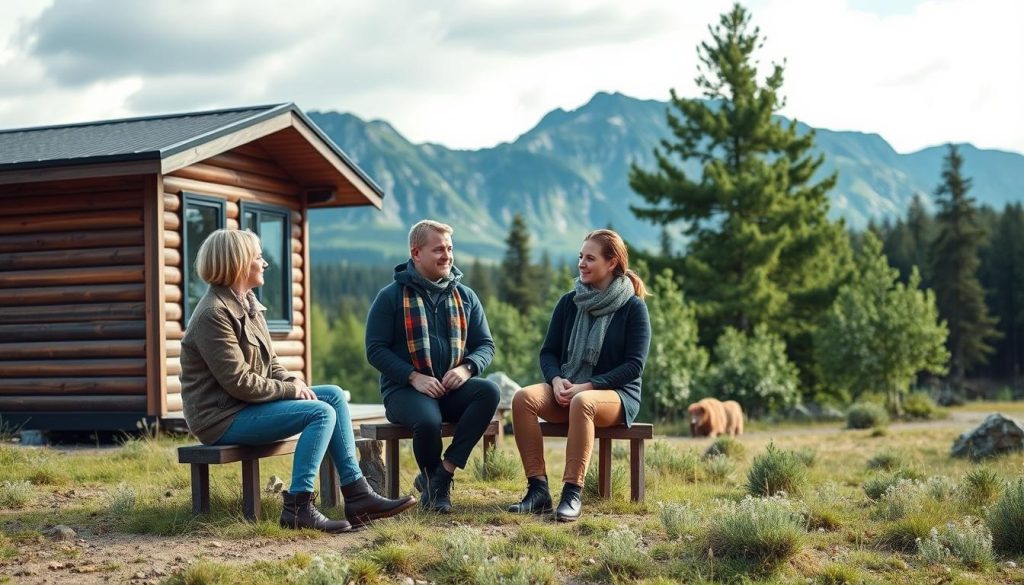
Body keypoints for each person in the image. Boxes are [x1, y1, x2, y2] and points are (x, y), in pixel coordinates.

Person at [180, 229, 415, 533]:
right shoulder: (213, 314)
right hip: (221, 417)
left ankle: (358, 496)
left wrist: (294, 381)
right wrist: (292, 390)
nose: (264, 263)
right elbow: (239, 382)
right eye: (258, 257)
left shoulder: (247, 303)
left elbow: (271, 363)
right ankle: (298, 507)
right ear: (238, 263)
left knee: (331, 395)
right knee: (320, 412)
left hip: (244, 407)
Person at [508, 228, 651, 522]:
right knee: (523, 398)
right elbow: (548, 353)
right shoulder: (568, 303)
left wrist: (588, 385)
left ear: (611, 263)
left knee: (583, 401)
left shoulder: (633, 307)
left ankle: (572, 493)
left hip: (617, 396)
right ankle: (537, 491)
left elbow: (634, 366)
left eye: (590, 258)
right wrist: (556, 380)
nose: (581, 264)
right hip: (569, 388)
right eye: (580, 257)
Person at [366, 220, 500, 513]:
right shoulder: (390, 297)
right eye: (438, 249)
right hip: (405, 391)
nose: (447, 256)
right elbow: (375, 350)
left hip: (451, 388)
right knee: (427, 422)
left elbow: (485, 346)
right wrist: (412, 376)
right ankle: (432, 484)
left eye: (450, 249)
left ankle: (441, 476)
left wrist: (466, 369)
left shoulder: (465, 297)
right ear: (416, 253)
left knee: (489, 391)